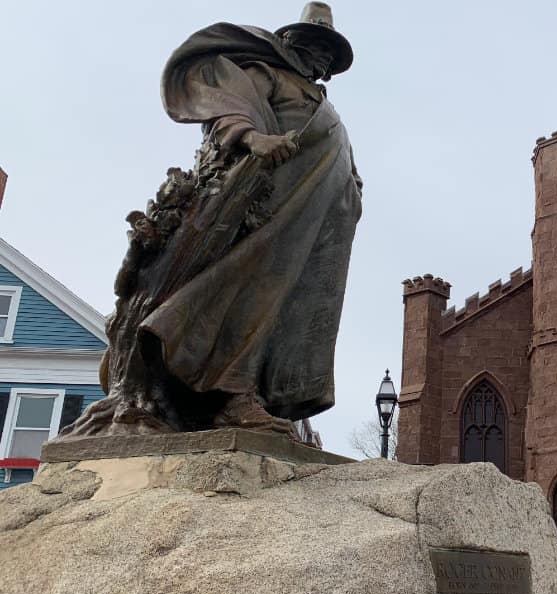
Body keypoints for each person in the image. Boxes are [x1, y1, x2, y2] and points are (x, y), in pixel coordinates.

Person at [64, 2, 363, 440]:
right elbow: (230, 103)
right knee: (247, 295)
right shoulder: (268, 74)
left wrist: (351, 186)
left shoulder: (323, 103)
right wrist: (252, 136)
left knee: (288, 307)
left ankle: (261, 393)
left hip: (310, 223)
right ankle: (229, 394)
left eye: (328, 54)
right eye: (315, 46)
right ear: (290, 43)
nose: (321, 59)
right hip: (265, 214)